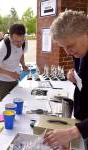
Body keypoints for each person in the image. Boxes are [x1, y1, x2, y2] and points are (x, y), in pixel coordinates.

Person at [43, 10, 88, 148]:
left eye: (70, 46)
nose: (68, 52)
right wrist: (77, 78)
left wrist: (73, 132)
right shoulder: (80, 51)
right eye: (64, 47)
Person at [0, 23, 28, 104]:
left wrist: (23, 64)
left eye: (21, 40)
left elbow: (21, 53)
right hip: (3, 82)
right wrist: (10, 74)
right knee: (3, 106)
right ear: (10, 37)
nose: (19, 44)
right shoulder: (3, 47)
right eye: (16, 41)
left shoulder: (24, 42)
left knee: (15, 103)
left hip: (15, 79)